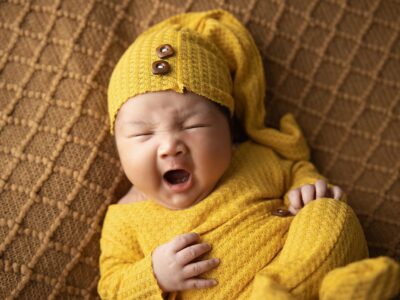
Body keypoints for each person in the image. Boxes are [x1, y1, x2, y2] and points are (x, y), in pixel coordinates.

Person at [98, 9, 400, 300]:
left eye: (192, 125)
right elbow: (111, 286)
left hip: (291, 271)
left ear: (228, 129)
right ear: (118, 144)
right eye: (143, 134)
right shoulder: (124, 219)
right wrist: (154, 275)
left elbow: (296, 169)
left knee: (331, 212)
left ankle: (311, 291)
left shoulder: (256, 159)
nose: (169, 146)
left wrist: (306, 188)